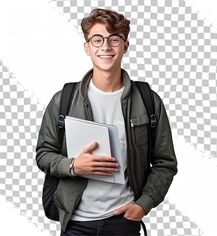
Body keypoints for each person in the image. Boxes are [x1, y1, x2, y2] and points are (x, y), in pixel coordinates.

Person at [36, 8, 177, 236]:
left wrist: (145, 203)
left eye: (114, 39)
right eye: (97, 39)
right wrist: (73, 166)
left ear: (125, 45)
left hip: (123, 222)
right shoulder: (63, 99)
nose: (106, 46)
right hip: (75, 224)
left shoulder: (148, 100)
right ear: (87, 47)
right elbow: (44, 154)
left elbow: (165, 163)